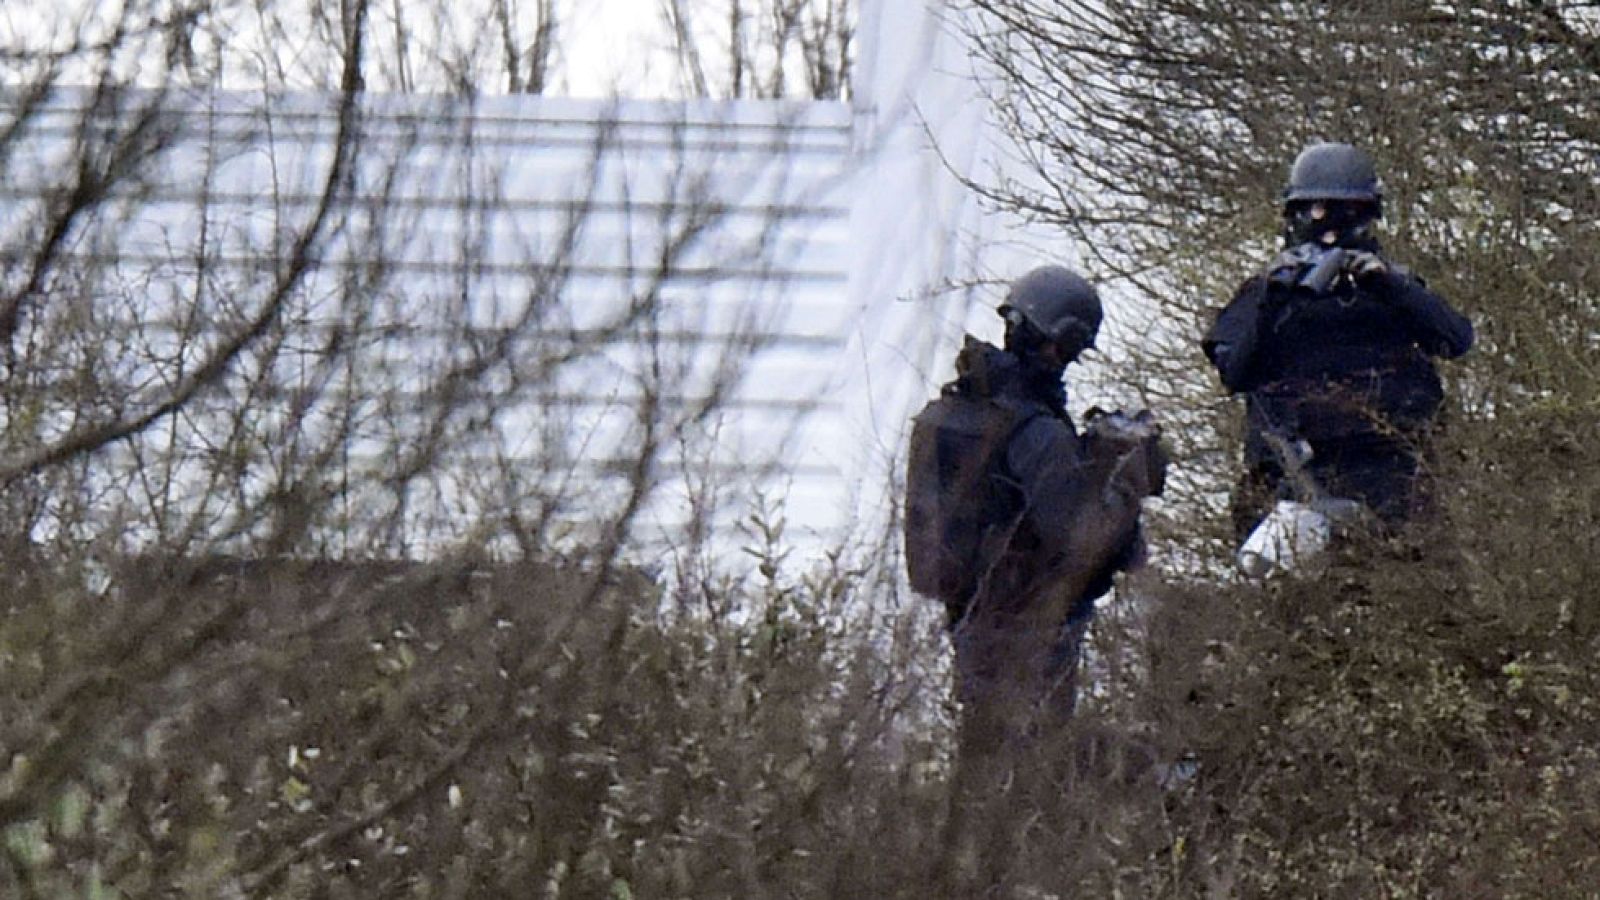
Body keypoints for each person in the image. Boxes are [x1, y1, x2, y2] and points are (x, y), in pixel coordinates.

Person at [904, 265, 1166, 757]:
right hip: (1029, 624)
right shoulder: (1035, 429)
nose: (1061, 360)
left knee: (986, 757)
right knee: (1032, 761)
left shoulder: (952, 413)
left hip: (971, 622)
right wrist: (1127, 481)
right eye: (1065, 348)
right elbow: (1077, 535)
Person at [1203, 143, 1474, 543]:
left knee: (1413, 577)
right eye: (1316, 211)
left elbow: (1455, 340)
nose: (1329, 226)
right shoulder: (1266, 294)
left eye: (1346, 213)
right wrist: (1271, 302)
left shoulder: (1393, 289)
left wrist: (1393, 288)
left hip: (1394, 472)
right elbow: (1235, 372)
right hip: (1297, 476)